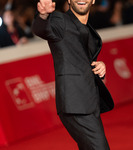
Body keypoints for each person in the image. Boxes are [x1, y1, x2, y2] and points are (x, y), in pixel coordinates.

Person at [32, 0, 114, 149]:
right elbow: (41, 29)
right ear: (69, 0)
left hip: (89, 102)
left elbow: (82, 59)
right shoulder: (60, 20)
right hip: (74, 104)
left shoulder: (88, 29)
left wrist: (99, 65)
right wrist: (43, 15)